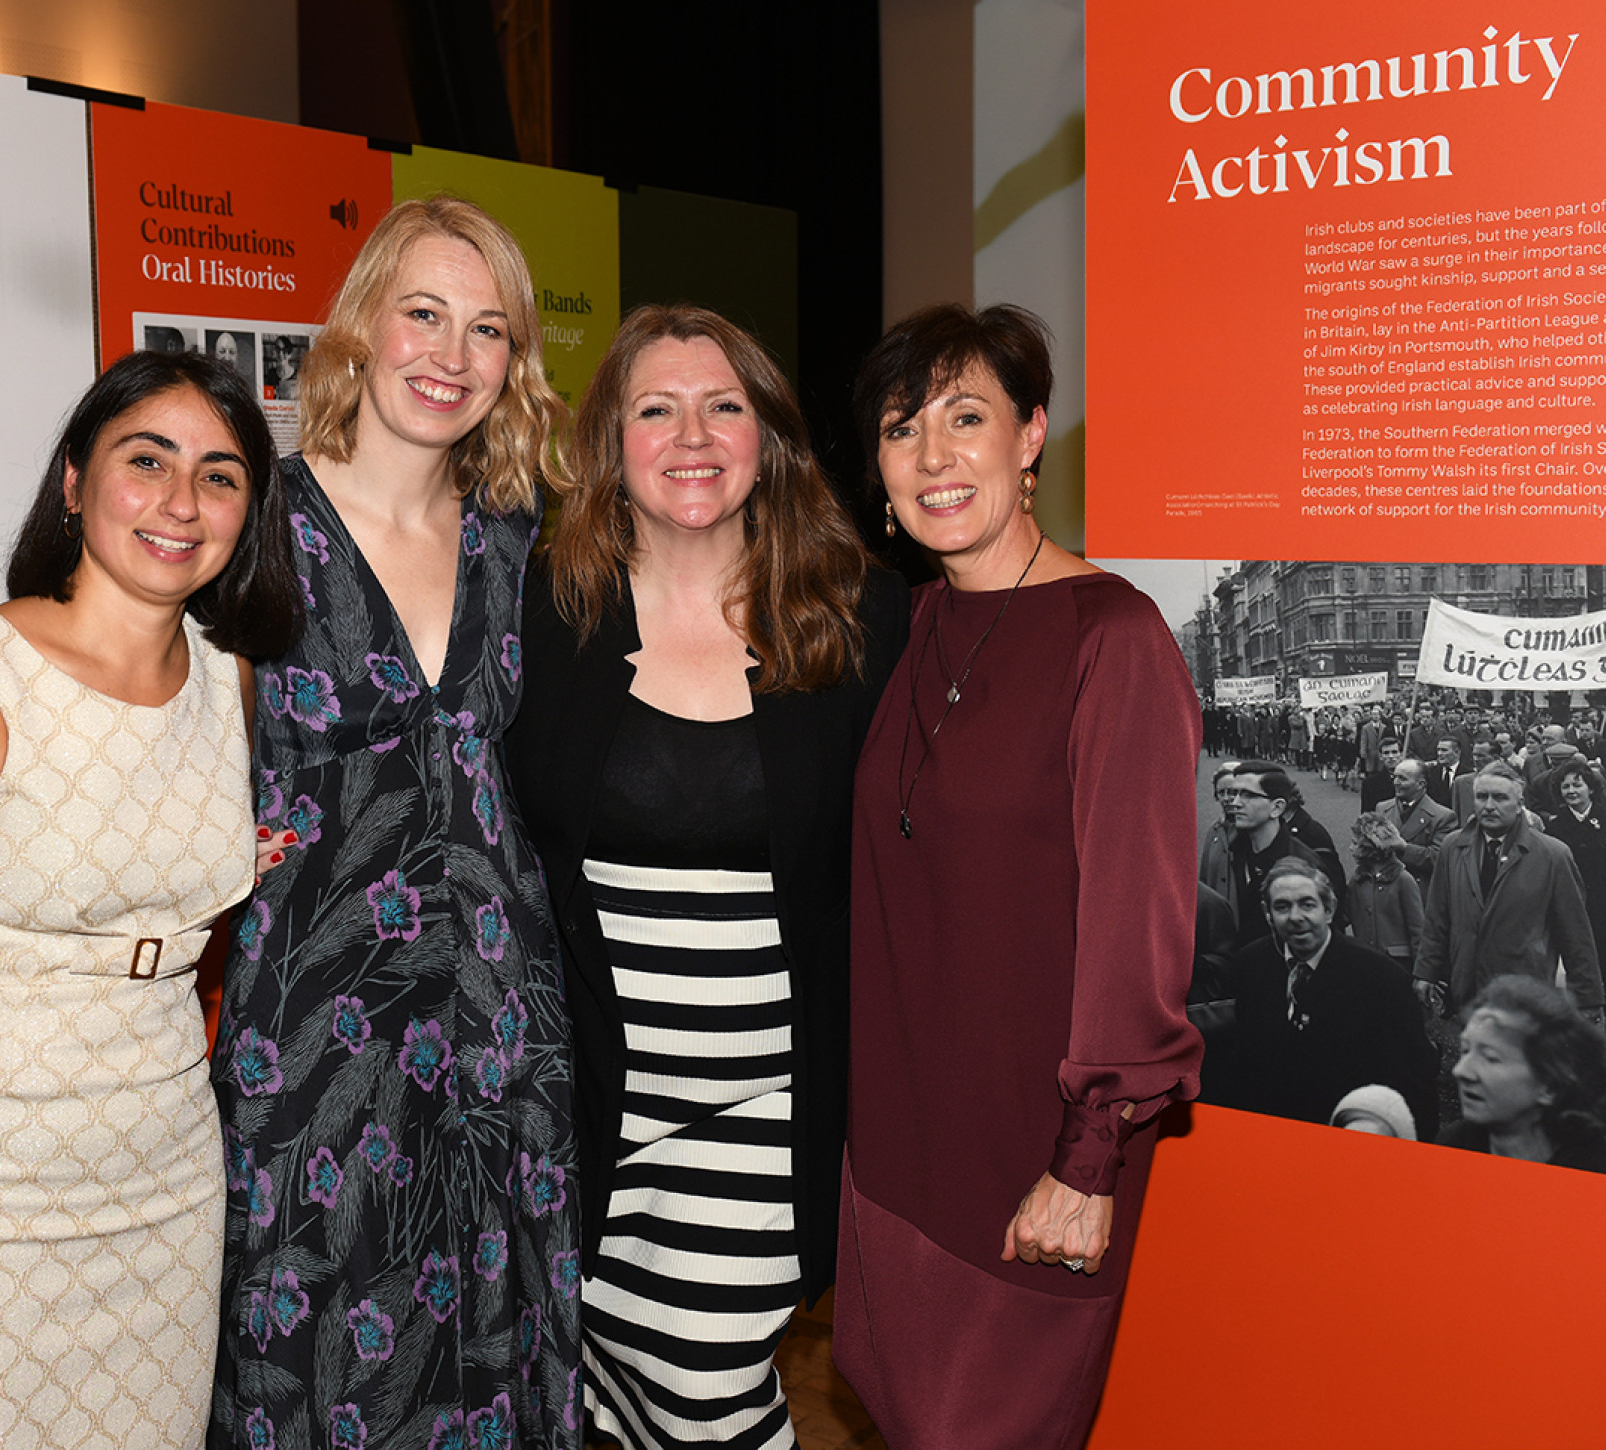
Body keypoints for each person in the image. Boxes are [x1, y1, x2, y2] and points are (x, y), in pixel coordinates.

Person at [0, 350, 298, 1446]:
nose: (182, 503)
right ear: (76, 481)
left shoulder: (230, 680)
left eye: (221, 475)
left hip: (165, 1186)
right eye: (148, 461)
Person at [211, 196, 582, 1449]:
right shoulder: (248, 519)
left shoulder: (523, 545)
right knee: (323, 1360)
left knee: (501, 1360)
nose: (450, 353)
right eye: (423, 312)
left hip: (502, 1021)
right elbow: (106, 653)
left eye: (487, 330)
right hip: (317, 1038)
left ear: (512, 364)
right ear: (364, 323)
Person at [509, 304, 907, 1449]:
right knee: (613, 1401)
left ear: (769, 435)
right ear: (609, 443)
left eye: (724, 404)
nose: (693, 433)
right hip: (592, 1111)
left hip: (762, 1113)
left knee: (704, 1394)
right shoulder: (544, 611)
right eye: (656, 407)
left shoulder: (861, 614)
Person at [843, 303, 1201, 1450]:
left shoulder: (1116, 638)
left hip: (1030, 1162)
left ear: (1032, 434)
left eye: (967, 418)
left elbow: (1137, 929)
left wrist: (1088, 1158)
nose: (935, 457)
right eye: (904, 431)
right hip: (899, 1149)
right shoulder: (912, 622)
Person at [1204, 861, 1437, 1140]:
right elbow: (1243, 1063)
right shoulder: (1250, 966)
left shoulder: (1381, 979)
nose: (1295, 917)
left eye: (1307, 904)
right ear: (1268, 915)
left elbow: (1415, 1084)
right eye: (1282, 907)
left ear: (1329, 910)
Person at [1414, 761, 1603, 1020]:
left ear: (1519, 803)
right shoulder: (1453, 847)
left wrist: (1587, 997)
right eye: (1482, 797)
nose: (1489, 806)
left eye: (1500, 797)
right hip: (1468, 989)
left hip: (1525, 991)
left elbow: (1575, 931)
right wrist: (1426, 972)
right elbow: (1437, 916)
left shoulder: (1552, 854)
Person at [1441, 975, 1606, 1174]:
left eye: (1490, 1058)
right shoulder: (1451, 1144)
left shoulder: (1603, 1183)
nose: (1460, 1071)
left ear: (1549, 1085)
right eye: (1465, 1050)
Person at [1543, 758, 1606, 1034]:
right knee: (1576, 971)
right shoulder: (1555, 828)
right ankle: (1580, 1028)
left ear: (1591, 788)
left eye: (1577, 784)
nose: (1571, 791)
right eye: (1565, 787)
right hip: (1573, 911)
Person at [1198, 761, 1327, 951]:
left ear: (1277, 807)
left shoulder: (1302, 864)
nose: (1235, 803)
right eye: (1235, 793)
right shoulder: (1234, 850)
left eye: (1248, 795)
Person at [1341, 811, 1424, 971]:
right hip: (1366, 963)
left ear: (1371, 846)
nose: (1351, 848)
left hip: (1398, 966)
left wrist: (1421, 973)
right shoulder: (1357, 880)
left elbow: (1417, 931)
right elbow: (1344, 915)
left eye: (1355, 843)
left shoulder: (1403, 881)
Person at [1371, 757, 1454, 886]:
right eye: (1395, 777)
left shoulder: (1442, 817)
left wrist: (1404, 848)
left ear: (1421, 784)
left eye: (1402, 779)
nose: (1396, 783)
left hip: (1418, 890)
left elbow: (1439, 859)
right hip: (1385, 888)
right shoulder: (1382, 808)